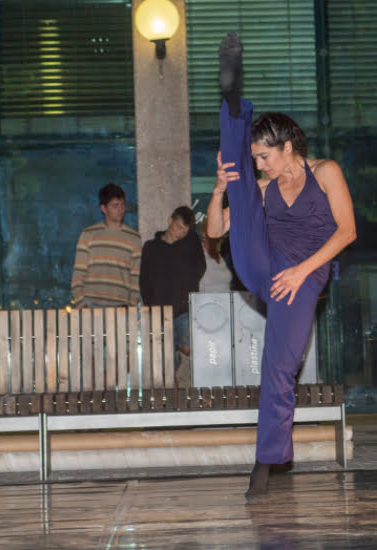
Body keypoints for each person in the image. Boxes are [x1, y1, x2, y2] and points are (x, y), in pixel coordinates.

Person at [207, 33, 356, 499]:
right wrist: (220, 188)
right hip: (263, 263)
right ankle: (233, 102)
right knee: (240, 187)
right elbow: (215, 231)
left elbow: (347, 232)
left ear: (288, 146)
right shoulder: (263, 187)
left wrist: (301, 271)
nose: (262, 165)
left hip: (304, 276)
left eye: (264, 157)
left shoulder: (326, 172)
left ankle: (266, 460)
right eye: (255, 158)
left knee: (279, 365)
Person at [139, 206, 206, 386]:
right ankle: (172, 398)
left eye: (185, 230)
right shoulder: (151, 247)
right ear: (170, 221)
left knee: (189, 348)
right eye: (178, 227)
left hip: (183, 309)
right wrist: (151, 306)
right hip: (159, 312)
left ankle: (175, 346)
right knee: (166, 367)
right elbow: (144, 280)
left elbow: (200, 268)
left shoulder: (190, 242)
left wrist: (186, 288)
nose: (181, 233)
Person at [71, 183, 141, 308]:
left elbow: (135, 278)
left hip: (121, 306)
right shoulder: (88, 234)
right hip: (90, 304)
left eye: (122, 205)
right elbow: (78, 276)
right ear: (103, 208)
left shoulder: (134, 238)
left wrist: (131, 307)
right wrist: (82, 306)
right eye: (115, 205)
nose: (120, 209)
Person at [199, 218, 232, 293]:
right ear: (203, 233)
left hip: (225, 298)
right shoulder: (199, 253)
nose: (216, 235)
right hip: (207, 298)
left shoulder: (219, 255)